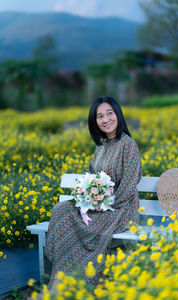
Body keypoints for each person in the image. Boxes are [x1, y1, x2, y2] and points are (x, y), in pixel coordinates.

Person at [45, 96, 142, 288]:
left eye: (109, 113)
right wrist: (85, 199)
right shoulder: (101, 146)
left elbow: (129, 185)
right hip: (98, 205)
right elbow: (90, 176)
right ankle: (56, 282)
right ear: (94, 121)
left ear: (118, 115)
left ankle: (73, 284)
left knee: (75, 225)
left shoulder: (128, 144)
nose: (105, 119)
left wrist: (103, 204)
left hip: (120, 208)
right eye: (100, 116)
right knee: (61, 210)